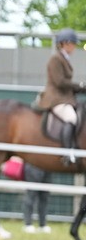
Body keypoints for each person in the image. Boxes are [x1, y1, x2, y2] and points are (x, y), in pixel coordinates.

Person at [35, 28, 86, 165]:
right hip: (56, 97)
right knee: (71, 117)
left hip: (65, 96)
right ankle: (67, 153)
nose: (74, 47)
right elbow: (60, 82)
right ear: (65, 43)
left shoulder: (64, 58)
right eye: (73, 44)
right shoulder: (55, 59)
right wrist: (80, 86)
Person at [22, 164, 51, 233]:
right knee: (30, 196)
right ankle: (28, 224)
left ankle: (42, 225)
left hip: (47, 167)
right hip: (33, 166)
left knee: (44, 197)